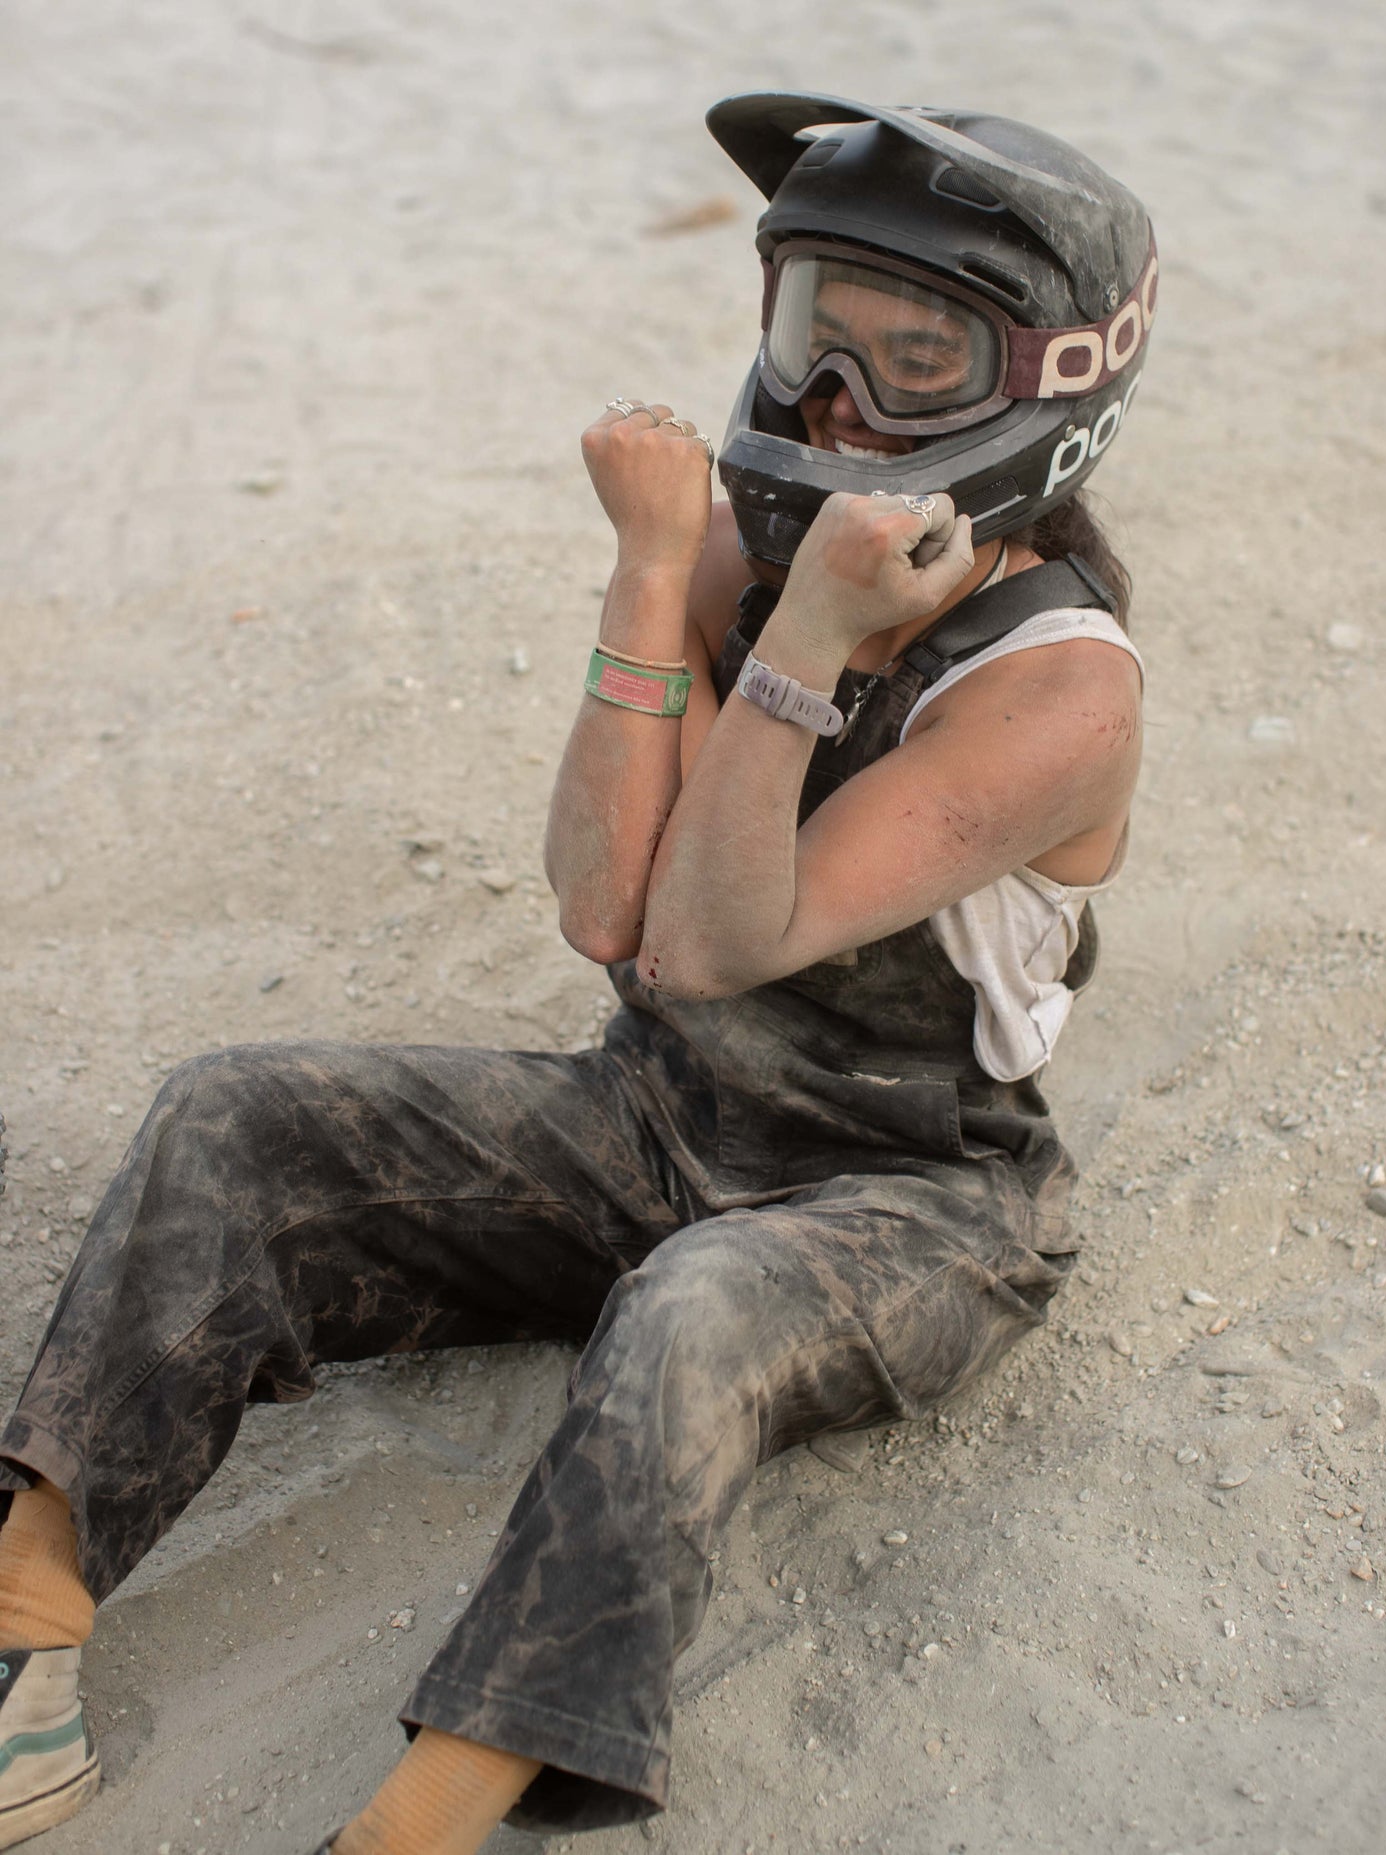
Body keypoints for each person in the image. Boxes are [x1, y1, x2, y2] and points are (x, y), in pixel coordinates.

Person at [0, 92, 1154, 1854]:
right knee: (236, 1118)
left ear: (1047, 389)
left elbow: (713, 938)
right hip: (658, 1114)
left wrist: (806, 646)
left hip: (909, 1199)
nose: (835, 405)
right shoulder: (748, 560)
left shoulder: (1062, 692)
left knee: (687, 1315)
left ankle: (427, 1822)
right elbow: (606, 913)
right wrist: (646, 570)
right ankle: (27, 1625)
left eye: (913, 359)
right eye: (813, 333)